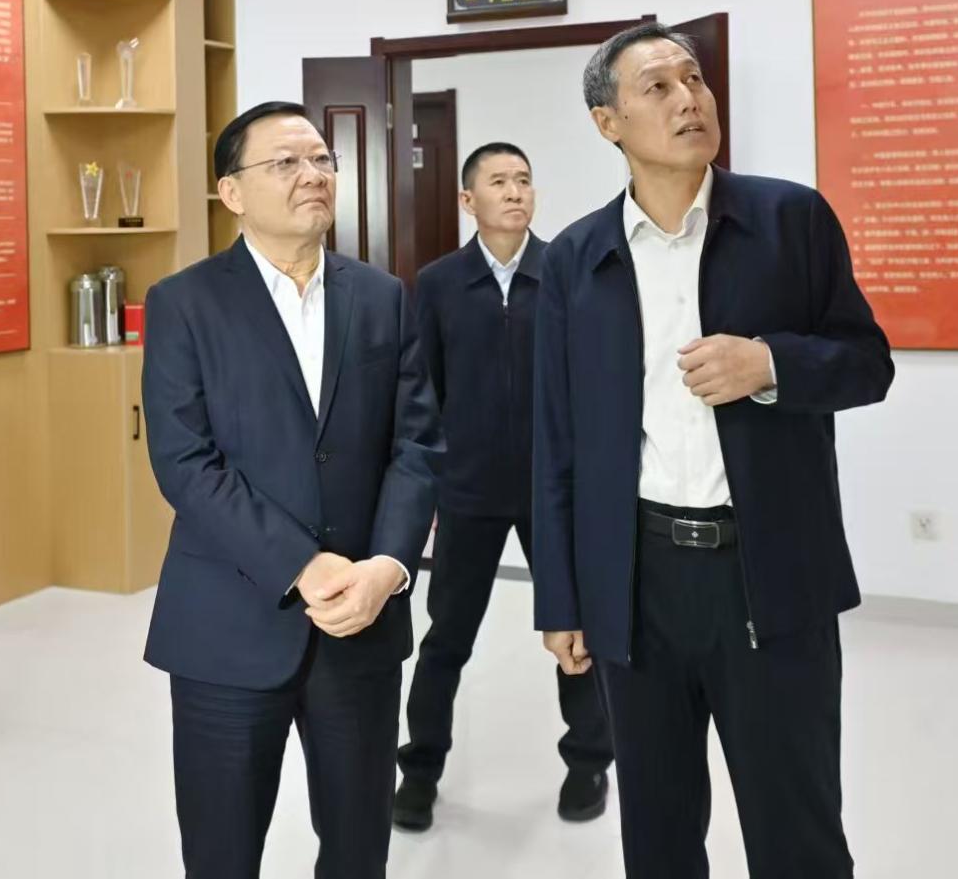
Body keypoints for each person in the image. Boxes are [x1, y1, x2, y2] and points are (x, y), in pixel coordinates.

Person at [530, 23, 894, 878]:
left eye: (694, 79)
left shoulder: (789, 220)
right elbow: (555, 440)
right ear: (607, 122)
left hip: (768, 573)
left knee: (797, 831)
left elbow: (867, 362)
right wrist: (562, 597)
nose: (688, 98)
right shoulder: (578, 257)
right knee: (657, 833)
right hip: (637, 579)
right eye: (657, 86)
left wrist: (770, 363)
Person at [141, 100, 440, 879]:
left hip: (360, 621)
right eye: (285, 162)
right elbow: (186, 463)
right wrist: (303, 564)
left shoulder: (381, 295)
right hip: (228, 627)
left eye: (321, 160)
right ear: (232, 192)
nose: (312, 174)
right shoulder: (184, 303)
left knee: (357, 850)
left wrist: (388, 566)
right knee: (223, 854)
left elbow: (416, 445)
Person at [393, 142, 611, 832]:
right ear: (469, 200)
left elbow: (589, 382)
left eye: (524, 180)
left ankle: (589, 762)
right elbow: (422, 393)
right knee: (446, 640)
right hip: (468, 491)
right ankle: (419, 771)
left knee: (577, 633)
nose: (515, 191)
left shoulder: (565, 272)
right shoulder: (438, 283)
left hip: (555, 492)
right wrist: (429, 486)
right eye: (498, 181)